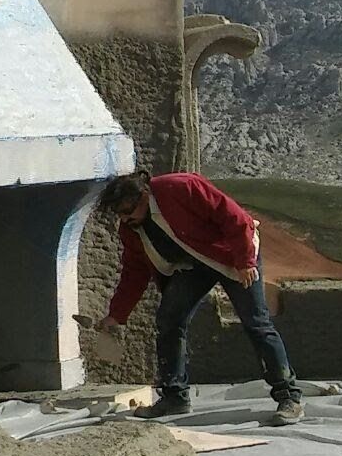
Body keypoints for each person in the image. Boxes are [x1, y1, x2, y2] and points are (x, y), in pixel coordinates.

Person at [89, 169, 304, 424]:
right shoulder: (133, 229)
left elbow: (233, 217)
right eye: (119, 214)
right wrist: (117, 315)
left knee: (256, 323)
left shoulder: (180, 188)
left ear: (143, 196)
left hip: (232, 256)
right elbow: (134, 272)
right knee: (169, 320)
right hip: (193, 265)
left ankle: (288, 396)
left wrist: (245, 262)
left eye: (127, 211)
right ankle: (174, 397)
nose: (124, 219)